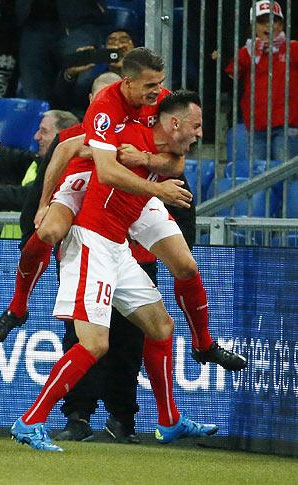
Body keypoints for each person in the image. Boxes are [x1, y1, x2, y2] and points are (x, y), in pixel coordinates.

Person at [0, 48, 247, 373]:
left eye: (160, 84)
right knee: (49, 230)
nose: (157, 92)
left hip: (138, 191)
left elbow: (177, 159)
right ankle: (17, 307)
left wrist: (146, 160)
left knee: (186, 266)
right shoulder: (104, 109)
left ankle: (204, 344)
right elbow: (75, 154)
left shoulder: (160, 102)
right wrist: (43, 202)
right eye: (151, 85)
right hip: (90, 178)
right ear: (129, 83)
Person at [11, 91, 218, 452]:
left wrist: (149, 163)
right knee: (95, 344)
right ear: (174, 124)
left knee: (161, 326)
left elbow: (174, 164)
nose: (199, 134)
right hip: (90, 240)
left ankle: (169, 421)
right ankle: (30, 421)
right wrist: (154, 186)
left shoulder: (159, 147)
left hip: (118, 246)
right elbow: (100, 168)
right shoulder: (119, 136)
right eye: (196, 126)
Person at [223, 0, 298, 161]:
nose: (268, 27)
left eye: (274, 21)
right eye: (262, 22)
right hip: (256, 127)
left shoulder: (293, 48)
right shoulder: (247, 52)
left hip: (286, 127)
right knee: (256, 177)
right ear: (253, 27)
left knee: (286, 178)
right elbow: (230, 76)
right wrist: (250, 53)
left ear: (281, 25)